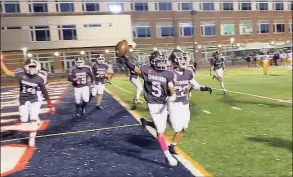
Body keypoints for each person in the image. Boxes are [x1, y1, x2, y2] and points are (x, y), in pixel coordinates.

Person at [119, 47, 178, 167]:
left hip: (165, 102)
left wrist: (172, 95)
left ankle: (146, 123)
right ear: (152, 61)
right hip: (154, 105)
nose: (161, 63)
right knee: (160, 131)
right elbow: (133, 68)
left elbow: (171, 89)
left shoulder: (168, 73)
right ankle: (167, 156)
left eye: (162, 60)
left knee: (173, 124)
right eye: (159, 61)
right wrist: (125, 59)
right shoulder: (147, 70)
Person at [0, 57, 55, 147]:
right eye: (31, 66)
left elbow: (44, 92)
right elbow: (7, 72)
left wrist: (50, 105)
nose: (32, 68)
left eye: (34, 66)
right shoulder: (21, 74)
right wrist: (1, 62)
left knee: (33, 118)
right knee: (24, 119)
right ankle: (34, 123)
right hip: (23, 100)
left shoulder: (40, 78)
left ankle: (32, 138)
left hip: (34, 99)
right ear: (26, 67)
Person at [167, 49, 212, 154]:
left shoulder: (188, 72)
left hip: (184, 102)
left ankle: (172, 146)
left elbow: (195, 85)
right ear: (175, 60)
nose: (184, 60)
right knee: (176, 127)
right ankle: (166, 118)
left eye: (184, 58)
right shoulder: (170, 74)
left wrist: (204, 88)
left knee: (184, 127)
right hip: (173, 103)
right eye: (181, 58)